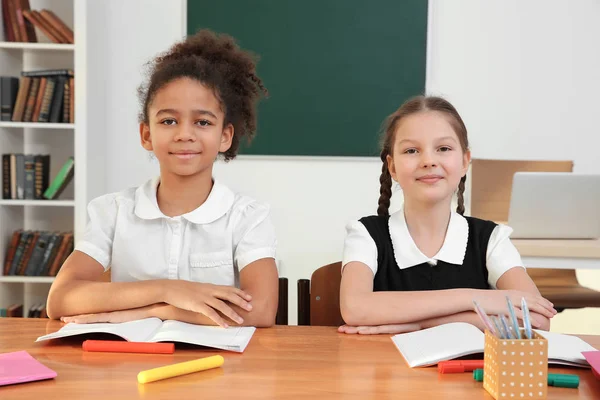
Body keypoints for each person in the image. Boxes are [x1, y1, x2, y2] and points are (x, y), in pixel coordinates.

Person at [46, 30, 278, 328]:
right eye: (168, 121)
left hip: (218, 367)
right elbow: (61, 299)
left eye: (203, 122)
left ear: (225, 136)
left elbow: (260, 310)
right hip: (127, 365)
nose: (184, 134)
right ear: (146, 134)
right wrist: (168, 290)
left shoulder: (248, 218)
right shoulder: (113, 211)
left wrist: (160, 310)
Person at [339, 95, 557, 334]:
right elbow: (355, 308)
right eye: (412, 150)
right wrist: (475, 299)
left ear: (465, 161)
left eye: (443, 148)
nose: (429, 161)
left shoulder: (491, 239)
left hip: (467, 372)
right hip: (385, 369)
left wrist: (420, 324)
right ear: (392, 167)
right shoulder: (365, 234)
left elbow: (537, 321)